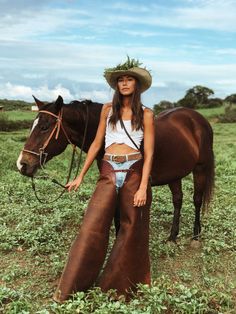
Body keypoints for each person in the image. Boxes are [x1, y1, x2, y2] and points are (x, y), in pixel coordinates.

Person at [53, 57, 155, 302]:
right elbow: (97, 143)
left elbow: (150, 153)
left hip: (134, 169)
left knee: (132, 230)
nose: (125, 83)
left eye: (129, 79)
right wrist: (80, 176)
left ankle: (118, 288)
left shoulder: (147, 114)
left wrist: (142, 187)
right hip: (109, 168)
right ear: (116, 85)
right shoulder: (107, 110)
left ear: (137, 84)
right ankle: (70, 289)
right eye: (121, 80)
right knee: (92, 226)